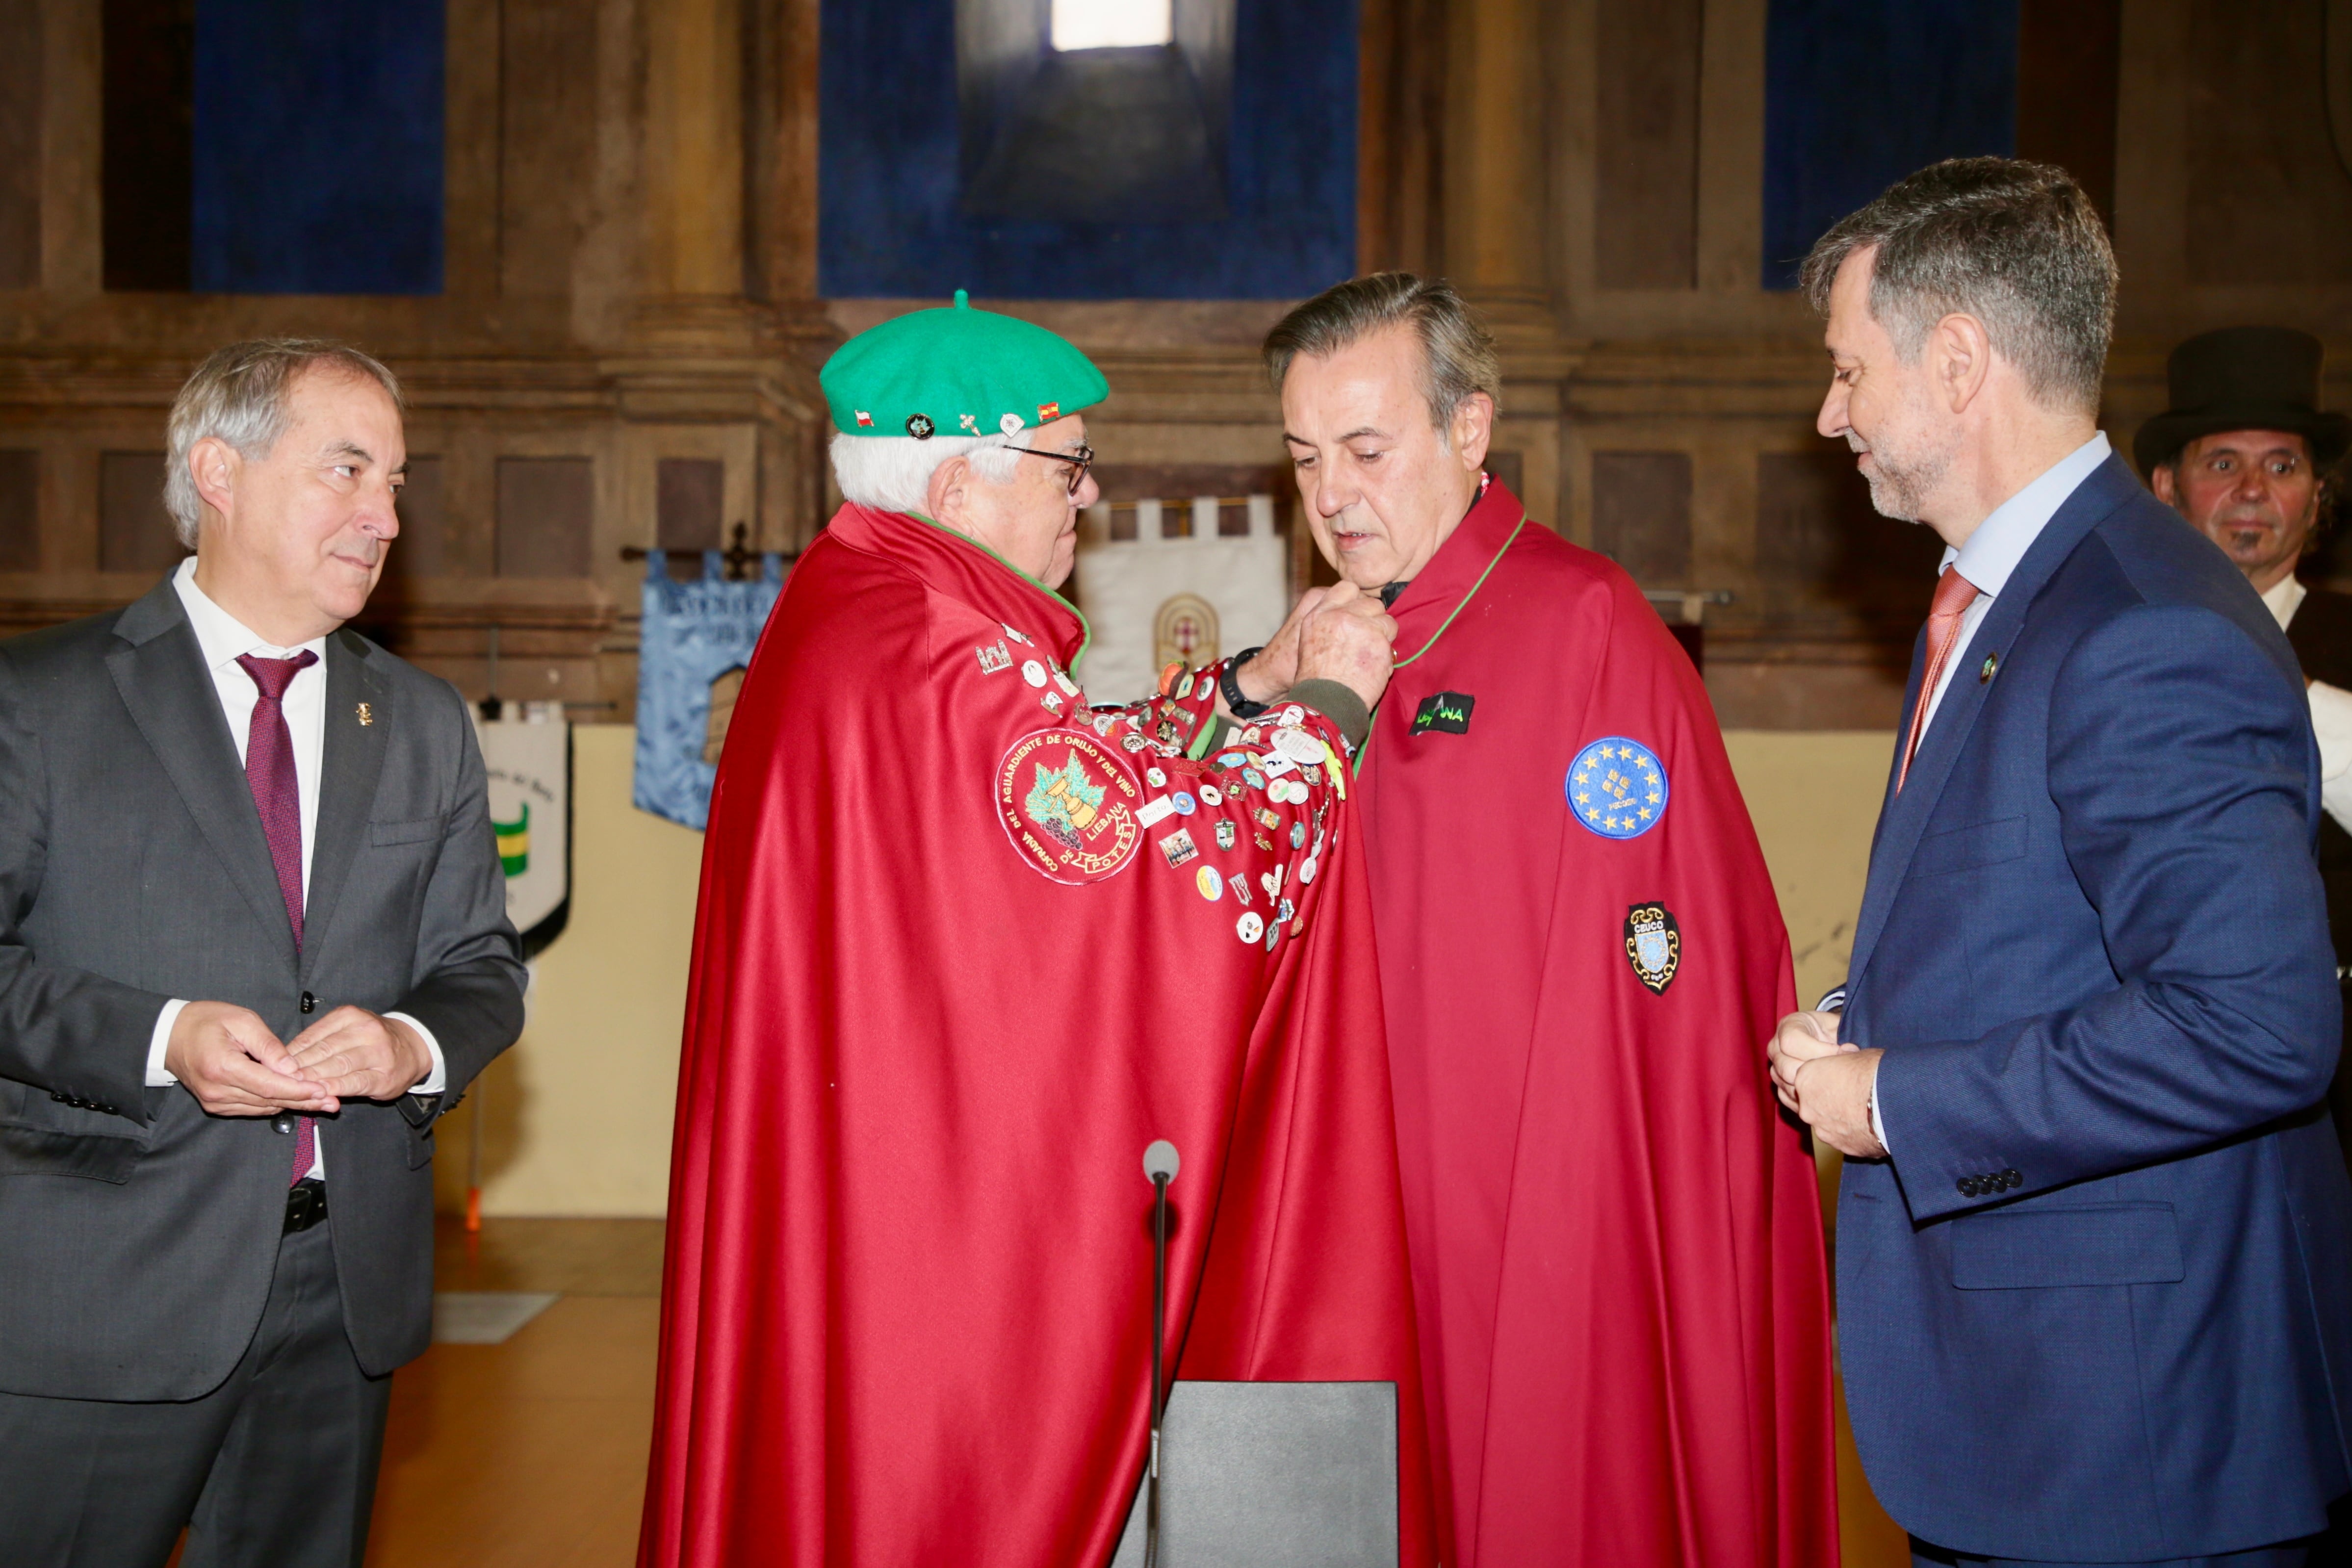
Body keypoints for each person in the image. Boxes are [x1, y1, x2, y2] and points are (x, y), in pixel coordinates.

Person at [637, 291, 1435, 1568]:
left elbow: (1066, 784)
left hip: (865, 1174)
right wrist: (1331, 699)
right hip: (932, 1232)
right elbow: (1192, 886)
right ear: (962, 477)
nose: (1087, 498)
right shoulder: (952, 654)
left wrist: (1239, 689)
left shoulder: (856, 606)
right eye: (1068, 466)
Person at [1772, 158, 2352, 1567]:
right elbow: (2043, 919)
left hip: (2128, 1435)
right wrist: (1873, 1016)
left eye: (1851, 371)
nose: (1827, 411)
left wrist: (1896, 1096)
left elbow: (2254, 1023)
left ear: (1957, 361)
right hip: (2043, 1414)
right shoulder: (2013, 585)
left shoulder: (2141, 620)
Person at [1243, 272, 1837, 1567]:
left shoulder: (1584, 627)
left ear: (1469, 428)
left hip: (1534, 1217)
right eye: (1301, 457)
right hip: (1371, 1205)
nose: (1330, 492)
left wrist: (1574, 1204)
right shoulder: (1330, 641)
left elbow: (1664, 950)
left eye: (1363, 448)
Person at [0, 339, 526, 1567]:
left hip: (339, 1299)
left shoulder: (422, 721)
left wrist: (410, 1042)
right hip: (99, 1294)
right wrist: (158, 1037)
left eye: (395, 481)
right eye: (347, 470)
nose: (383, 515)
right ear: (218, 472)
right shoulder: (40, 700)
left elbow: (483, 967)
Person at [2142, 325, 2352, 1166]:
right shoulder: (2116, 643)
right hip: (2165, 1070)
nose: (2256, 490)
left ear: (2317, 494)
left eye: (2284, 466)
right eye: (2224, 464)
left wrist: (2271, 689)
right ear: (2166, 487)